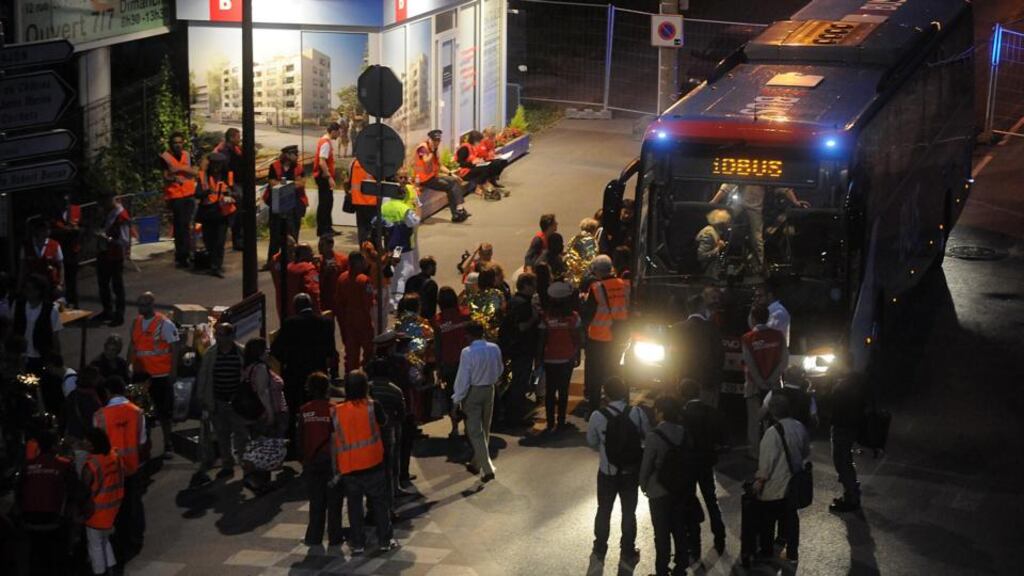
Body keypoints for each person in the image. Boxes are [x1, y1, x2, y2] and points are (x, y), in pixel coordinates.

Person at [331, 370, 398, 554]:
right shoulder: (372, 406)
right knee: (380, 504)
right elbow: (383, 422)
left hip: (349, 468)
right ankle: (385, 540)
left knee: (354, 507)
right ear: (365, 386)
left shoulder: (336, 411)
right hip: (372, 464)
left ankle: (358, 543)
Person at [586, 376, 651, 563]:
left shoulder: (598, 416)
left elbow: (591, 442)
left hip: (607, 472)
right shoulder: (636, 413)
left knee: (604, 509)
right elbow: (647, 436)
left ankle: (600, 547)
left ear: (606, 394)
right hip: (630, 472)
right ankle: (628, 549)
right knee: (629, 511)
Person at [751, 395, 810, 565]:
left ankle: (767, 551)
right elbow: (805, 452)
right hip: (794, 484)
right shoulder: (799, 426)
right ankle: (792, 552)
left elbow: (766, 464)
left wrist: (759, 482)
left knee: (767, 519)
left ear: (772, 411)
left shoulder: (772, 433)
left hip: (776, 485)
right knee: (791, 518)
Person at [93, 375, 147, 558]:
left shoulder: (99, 416)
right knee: (133, 505)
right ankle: (135, 539)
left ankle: (119, 543)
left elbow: (97, 446)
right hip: (132, 468)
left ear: (107, 392)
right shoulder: (137, 412)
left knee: (116, 509)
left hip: (111, 470)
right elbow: (142, 442)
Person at [639, 396, 693, 576]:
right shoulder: (683, 432)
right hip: (680, 488)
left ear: (661, 412)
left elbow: (647, 464)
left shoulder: (654, 436)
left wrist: (643, 484)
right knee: (679, 526)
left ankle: (662, 568)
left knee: (661, 532)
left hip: (658, 489)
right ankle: (681, 564)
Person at [271, 294, 337, 438]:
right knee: (318, 408)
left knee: (293, 408)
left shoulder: (290, 323)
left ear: (295, 307)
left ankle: (293, 441)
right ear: (311, 305)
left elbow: (276, 350)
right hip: (317, 374)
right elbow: (331, 351)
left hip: (295, 374)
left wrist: (287, 361)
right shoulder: (325, 323)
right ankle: (317, 436)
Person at [17, 429, 80, 575]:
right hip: (54, 520)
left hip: (30, 521)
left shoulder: (27, 466)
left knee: (35, 553)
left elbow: (19, 493)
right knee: (56, 556)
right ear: (54, 446)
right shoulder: (64, 465)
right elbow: (75, 491)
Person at [127, 292, 179, 457]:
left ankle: (168, 444)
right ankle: (145, 444)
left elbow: (175, 347)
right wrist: (128, 365)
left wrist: (173, 371)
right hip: (141, 375)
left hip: (160, 376)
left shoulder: (164, 323)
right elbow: (133, 345)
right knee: (141, 412)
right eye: (139, 304)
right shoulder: (136, 322)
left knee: (164, 413)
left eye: (144, 304)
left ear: (151, 305)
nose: (141, 308)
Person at [680, 378, 727, 555]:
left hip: (688, 463)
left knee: (689, 500)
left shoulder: (681, 414)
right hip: (706, 462)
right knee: (711, 500)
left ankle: (694, 542)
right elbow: (723, 439)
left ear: (682, 394)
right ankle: (719, 536)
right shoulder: (712, 412)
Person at [452, 322, 503, 482]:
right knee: (485, 428)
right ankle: (476, 463)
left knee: (475, 431)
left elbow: (463, 378)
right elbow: (500, 369)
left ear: (469, 335)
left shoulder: (467, 352)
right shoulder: (494, 348)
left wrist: (456, 400)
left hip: (473, 393)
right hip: (490, 390)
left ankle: (487, 469)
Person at [197, 322, 248, 479]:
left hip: (237, 404)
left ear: (231, 336)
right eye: (217, 334)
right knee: (222, 436)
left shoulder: (241, 352)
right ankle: (227, 465)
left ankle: (245, 465)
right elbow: (203, 378)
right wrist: (203, 399)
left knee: (241, 436)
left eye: (221, 335)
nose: (218, 338)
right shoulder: (211, 354)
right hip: (218, 402)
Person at [299, 372, 342, 547]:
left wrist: (304, 460)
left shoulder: (304, 410)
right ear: (327, 389)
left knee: (316, 502)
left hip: (312, 461)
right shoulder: (334, 409)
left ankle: (313, 537)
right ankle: (335, 537)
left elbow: (300, 438)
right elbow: (339, 437)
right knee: (334, 502)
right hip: (331, 462)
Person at [582, 255, 629, 411]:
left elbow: (588, 313)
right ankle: (620, 404)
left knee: (596, 375)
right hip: (619, 337)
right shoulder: (625, 285)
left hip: (598, 338)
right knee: (616, 371)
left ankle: (594, 407)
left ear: (597, 271)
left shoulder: (596, 288)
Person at [742, 305, 788, 459]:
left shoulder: (747, 338)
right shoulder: (779, 336)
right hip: (774, 386)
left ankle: (755, 452)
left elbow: (750, 364)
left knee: (754, 421)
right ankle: (772, 450)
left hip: (753, 386)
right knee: (773, 419)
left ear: (753, 319)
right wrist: (771, 379)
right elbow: (783, 361)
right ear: (768, 318)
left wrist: (761, 382)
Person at [80, 426, 125, 576]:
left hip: (96, 512)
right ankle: (112, 569)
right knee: (105, 541)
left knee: (95, 546)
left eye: (86, 440)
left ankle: (100, 572)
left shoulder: (91, 464)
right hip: (113, 508)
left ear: (93, 444)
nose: (83, 442)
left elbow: (84, 490)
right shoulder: (113, 456)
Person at [538, 282, 581, 431]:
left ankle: (550, 422)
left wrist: (539, 358)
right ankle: (561, 421)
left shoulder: (546, 317)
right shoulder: (574, 317)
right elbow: (577, 337)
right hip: (567, 358)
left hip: (550, 358)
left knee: (550, 391)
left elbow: (542, 339)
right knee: (563, 391)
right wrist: (577, 356)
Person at [368, 357, 408, 508]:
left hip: (369, 435)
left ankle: (372, 507)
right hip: (390, 433)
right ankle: (389, 505)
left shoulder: (367, 388)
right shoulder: (395, 390)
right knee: (389, 469)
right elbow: (402, 414)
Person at [500, 272, 539, 422]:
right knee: (520, 382)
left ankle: (512, 413)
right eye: (533, 285)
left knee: (516, 381)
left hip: (512, 348)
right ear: (526, 286)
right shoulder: (523, 304)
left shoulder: (512, 301)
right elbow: (521, 327)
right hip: (522, 348)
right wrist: (533, 318)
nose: (535, 288)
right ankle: (516, 416)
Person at [678, 288, 725, 408]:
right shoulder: (712, 329)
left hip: (682, 383)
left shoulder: (676, 329)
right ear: (702, 308)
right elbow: (719, 357)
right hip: (707, 384)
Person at [263, 145, 308, 268]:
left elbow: (301, 183)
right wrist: (290, 185)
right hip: (278, 204)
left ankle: (292, 262)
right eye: (295, 154)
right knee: (275, 235)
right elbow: (272, 183)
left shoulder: (298, 168)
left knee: (293, 234)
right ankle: (271, 262)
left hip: (295, 205)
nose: (297, 156)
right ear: (287, 155)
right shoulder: (275, 166)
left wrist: (284, 186)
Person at [435, 286, 470, 438]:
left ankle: (454, 427)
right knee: (468, 395)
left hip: (449, 362)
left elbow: (438, 345)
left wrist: (438, 366)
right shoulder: (465, 314)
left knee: (452, 395)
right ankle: (469, 427)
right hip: (466, 361)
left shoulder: (438, 320)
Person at [414, 129, 471, 223]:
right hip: (423, 179)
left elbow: (440, 165)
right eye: (435, 140)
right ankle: (458, 211)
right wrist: (432, 151)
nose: (437, 142)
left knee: (454, 180)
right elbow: (425, 160)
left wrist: (451, 173)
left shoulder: (435, 150)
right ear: (430, 139)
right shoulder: (422, 148)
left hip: (432, 177)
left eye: (438, 140)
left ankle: (458, 211)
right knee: (450, 186)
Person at [160, 131, 198, 268]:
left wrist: (179, 169)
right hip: (175, 195)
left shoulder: (187, 155)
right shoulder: (165, 157)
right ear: (171, 144)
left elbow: (195, 172)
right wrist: (174, 175)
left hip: (188, 193)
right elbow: (166, 176)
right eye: (175, 143)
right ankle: (182, 255)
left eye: (180, 142)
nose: (178, 145)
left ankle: (186, 254)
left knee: (187, 226)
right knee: (180, 226)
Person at [333, 252, 376, 373]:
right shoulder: (364, 280)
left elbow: (338, 301)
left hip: (348, 321)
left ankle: (350, 379)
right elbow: (369, 302)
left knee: (351, 354)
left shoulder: (342, 278)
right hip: (363, 321)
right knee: (369, 353)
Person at [829, 372, 865, 513]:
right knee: (846, 461)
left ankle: (851, 498)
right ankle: (851, 494)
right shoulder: (857, 383)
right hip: (850, 427)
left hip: (842, 427)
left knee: (842, 462)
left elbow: (834, 406)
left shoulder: (844, 387)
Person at [710, 183, 766, 273]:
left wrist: (795, 202)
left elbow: (783, 187)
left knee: (756, 237)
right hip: (738, 203)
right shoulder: (743, 171)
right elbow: (728, 184)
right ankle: (713, 258)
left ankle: (759, 265)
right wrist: (714, 201)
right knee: (720, 222)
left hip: (755, 206)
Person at [195, 152, 236, 277]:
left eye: (219, 165)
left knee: (219, 241)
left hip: (222, 213)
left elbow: (234, 191)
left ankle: (216, 266)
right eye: (214, 165)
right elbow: (197, 193)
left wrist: (230, 196)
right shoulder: (203, 177)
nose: (217, 167)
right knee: (209, 240)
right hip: (208, 212)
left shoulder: (227, 176)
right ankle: (212, 262)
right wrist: (206, 192)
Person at [14, 274, 62, 376]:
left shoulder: (51, 310)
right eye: (25, 289)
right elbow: (13, 328)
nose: (26, 292)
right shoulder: (19, 305)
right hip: (22, 355)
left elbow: (55, 337)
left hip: (41, 355)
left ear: (39, 291)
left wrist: (56, 358)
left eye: (30, 290)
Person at [96, 193, 131, 326]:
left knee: (117, 286)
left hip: (115, 255)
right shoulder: (108, 213)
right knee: (103, 284)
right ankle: (107, 311)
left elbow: (125, 240)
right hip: (104, 253)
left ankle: (119, 315)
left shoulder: (121, 216)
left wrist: (108, 239)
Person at [214, 128, 245, 250]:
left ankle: (239, 239)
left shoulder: (236, 149)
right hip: (232, 184)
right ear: (232, 138)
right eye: (238, 137)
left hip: (238, 182)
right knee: (236, 213)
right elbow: (226, 168)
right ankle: (237, 240)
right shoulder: (225, 151)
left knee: (240, 213)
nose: (240, 139)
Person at [20, 218, 64, 296]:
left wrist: (60, 284)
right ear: (37, 230)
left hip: (51, 283)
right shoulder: (26, 246)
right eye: (43, 229)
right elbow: (23, 268)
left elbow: (61, 266)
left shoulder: (55, 244)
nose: (47, 232)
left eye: (48, 229)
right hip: (33, 286)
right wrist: (20, 286)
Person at [51, 198, 81, 309]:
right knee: (58, 278)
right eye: (62, 199)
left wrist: (76, 229)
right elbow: (50, 231)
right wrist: (64, 231)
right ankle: (60, 305)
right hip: (59, 249)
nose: (65, 202)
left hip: (73, 250)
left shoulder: (76, 209)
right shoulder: (53, 213)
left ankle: (74, 304)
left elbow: (84, 228)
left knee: (72, 279)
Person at [314, 122, 342, 237]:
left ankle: (326, 228)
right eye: (338, 132)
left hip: (322, 177)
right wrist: (329, 177)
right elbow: (322, 161)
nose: (339, 134)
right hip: (323, 177)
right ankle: (324, 229)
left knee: (326, 203)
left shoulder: (324, 141)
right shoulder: (325, 143)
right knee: (325, 204)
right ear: (333, 131)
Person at [456, 130, 500, 200]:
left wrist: (479, 161)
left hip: (471, 168)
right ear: (474, 140)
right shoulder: (464, 148)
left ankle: (484, 184)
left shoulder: (472, 147)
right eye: (479, 141)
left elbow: (474, 158)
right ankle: (480, 186)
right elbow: (460, 163)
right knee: (484, 169)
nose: (480, 143)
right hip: (464, 172)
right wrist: (472, 163)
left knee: (487, 166)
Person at [317, 235, 349, 321]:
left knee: (345, 326)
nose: (320, 247)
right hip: (325, 300)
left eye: (323, 245)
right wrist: (324, 273)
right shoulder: (317, 262)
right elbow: (315, 282)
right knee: (327, 328)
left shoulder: (342, 260)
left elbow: (347, 279)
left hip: (339, 299)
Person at [346, 158, 379, 243]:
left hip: (358, 201)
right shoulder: (375, 162)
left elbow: (347, 180)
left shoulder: (354, 162)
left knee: (362, 229)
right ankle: (372, 252)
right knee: (374, 230)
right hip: (372, 201)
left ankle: (364, 251)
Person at [286, 243, 322, 315]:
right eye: (310, 252)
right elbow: (313, 292)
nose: (313, 254)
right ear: (305, 254)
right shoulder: (309, 269)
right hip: (306, 314)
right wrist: (318, 313)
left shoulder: (288, 267)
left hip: (291, 311)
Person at [696, 209, 732, 277]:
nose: (728, 226)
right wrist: (718, 248)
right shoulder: (708, 234)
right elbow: (701, 256)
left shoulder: (715, 232)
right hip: (706, 274)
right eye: (727, 223)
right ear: (721, 223)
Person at [754, 281, 791, 346]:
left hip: (777, 351)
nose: (757, 299)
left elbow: (764, 333)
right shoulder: (766, 310)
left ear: (769, 295)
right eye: (755, 296)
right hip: (770, 349)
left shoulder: (778, 312)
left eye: (760, 296)